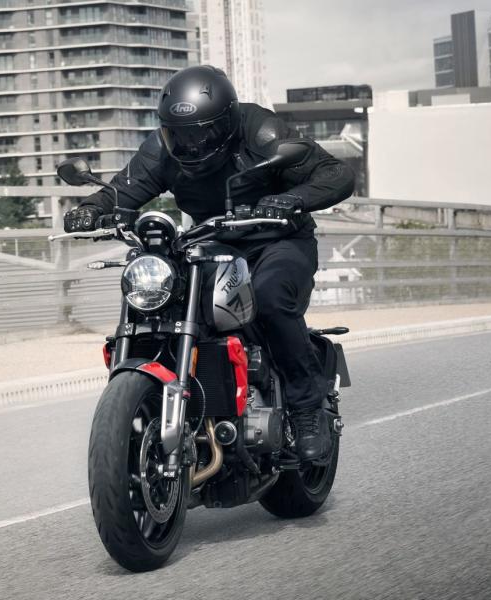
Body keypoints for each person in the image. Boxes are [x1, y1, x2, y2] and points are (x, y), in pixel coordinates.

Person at [63, 65, 355, 462]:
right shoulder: (164, 150)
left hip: (278, 241)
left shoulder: (262, 132)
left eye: (202, 134)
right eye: (179, 135)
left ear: (228, 123)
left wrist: (293, 199)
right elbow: (122, 191)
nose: (191, 146)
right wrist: (91, 208)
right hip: (212, 242)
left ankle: (306, 409)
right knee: (166, 296)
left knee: (268, 297)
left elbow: (337, 173)